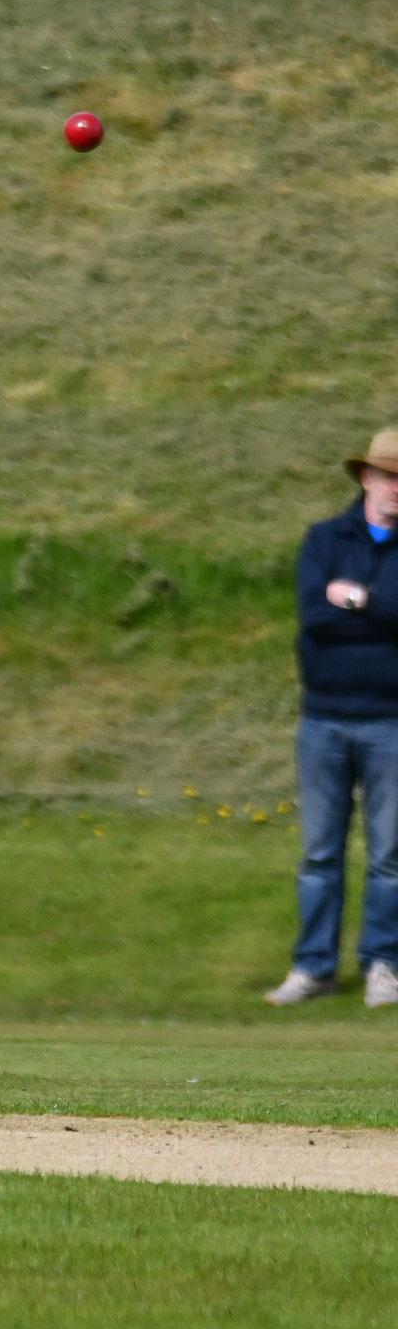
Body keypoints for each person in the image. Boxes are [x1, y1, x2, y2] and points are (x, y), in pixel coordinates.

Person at [265, 429, 398, 1009]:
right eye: (388, 476)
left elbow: (359, 609)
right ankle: (313, 968)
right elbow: (314, 616)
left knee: (390, 857)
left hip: (392, 722)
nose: (396, 487)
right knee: (320, 854)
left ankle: (383, 965)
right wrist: (377, 614)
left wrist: (356, 599)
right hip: (323, 721)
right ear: (366, 478)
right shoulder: (325, 539)